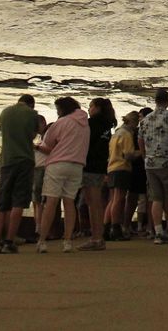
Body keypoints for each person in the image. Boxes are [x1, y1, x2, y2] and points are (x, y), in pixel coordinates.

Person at [35, 97, 90, 253]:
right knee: (69, 202)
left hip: (58, 164)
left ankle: (42, 240)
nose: (57, 112)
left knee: (51, 202)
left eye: (58, 109)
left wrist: (38, 147)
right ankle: (67, 241)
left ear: (63, 108)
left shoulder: (62, 122)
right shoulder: (85, 124)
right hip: (77, 165)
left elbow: (48, 143)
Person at [138, 90, 168, 244]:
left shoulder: (145, 120)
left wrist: (145, 156)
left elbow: (140, 140)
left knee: (156, 198)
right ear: (167, 101)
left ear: (155, 101)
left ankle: (158, 232)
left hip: (151, 165)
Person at [0, 95, 39, 254]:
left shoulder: (4, 112)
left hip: (6, 160)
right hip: (24, 159)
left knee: (2, 202)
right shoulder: (32, 114)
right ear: (31, 104)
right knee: (19, 201)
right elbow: (33, 135)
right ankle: (9, 241)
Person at [75, 97, 114, 251]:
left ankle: (96, 237)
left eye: (91, 106)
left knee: (92, 204)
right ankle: (99, 237)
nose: (89, 109)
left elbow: (85, 144)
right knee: (96, 203)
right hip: (100, 166)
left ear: (97, 108)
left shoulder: (91, 124)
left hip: (89, 165)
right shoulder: (107, 125)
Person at [106, 111, 140, 241]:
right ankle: (116, 228)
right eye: (136, 123)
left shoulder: (116, 134)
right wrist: (141, 152)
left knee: (113, 199)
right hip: (122, 167)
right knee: (119, 199)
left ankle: (106, 226)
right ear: (133, 122)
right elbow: (128, 154)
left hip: (111, 167)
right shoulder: (126, 135)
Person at [129, 107, 152, 234]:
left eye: (140, 117)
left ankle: (139, 225)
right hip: (144, 167)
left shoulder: (137, 132)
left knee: (141, 198)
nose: (139, 120)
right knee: (147, 198)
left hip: (139, 168)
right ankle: (148, 226)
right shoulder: (151, 131)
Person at [29, 113, 49, 243]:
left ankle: (40, 228)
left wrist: (35, 147)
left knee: (39, 201)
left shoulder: (46, 138)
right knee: (36, 201)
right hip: (36, 169)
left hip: (41, 169)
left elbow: (49, 150)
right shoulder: (41, 139)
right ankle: (38, 227)